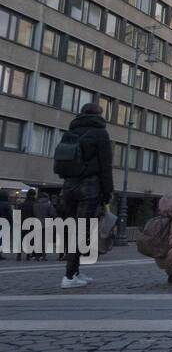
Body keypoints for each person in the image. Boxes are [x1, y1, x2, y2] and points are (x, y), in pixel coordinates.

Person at [55, 101, 114, 290]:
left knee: (74, 229)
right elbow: (106, 166)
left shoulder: (70, 132)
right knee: (82, 232)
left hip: (69, 187)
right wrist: (108, 192)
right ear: (99, 115)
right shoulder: (100, 133)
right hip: (89, 187)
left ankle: (76, 272)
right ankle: (70, 275)